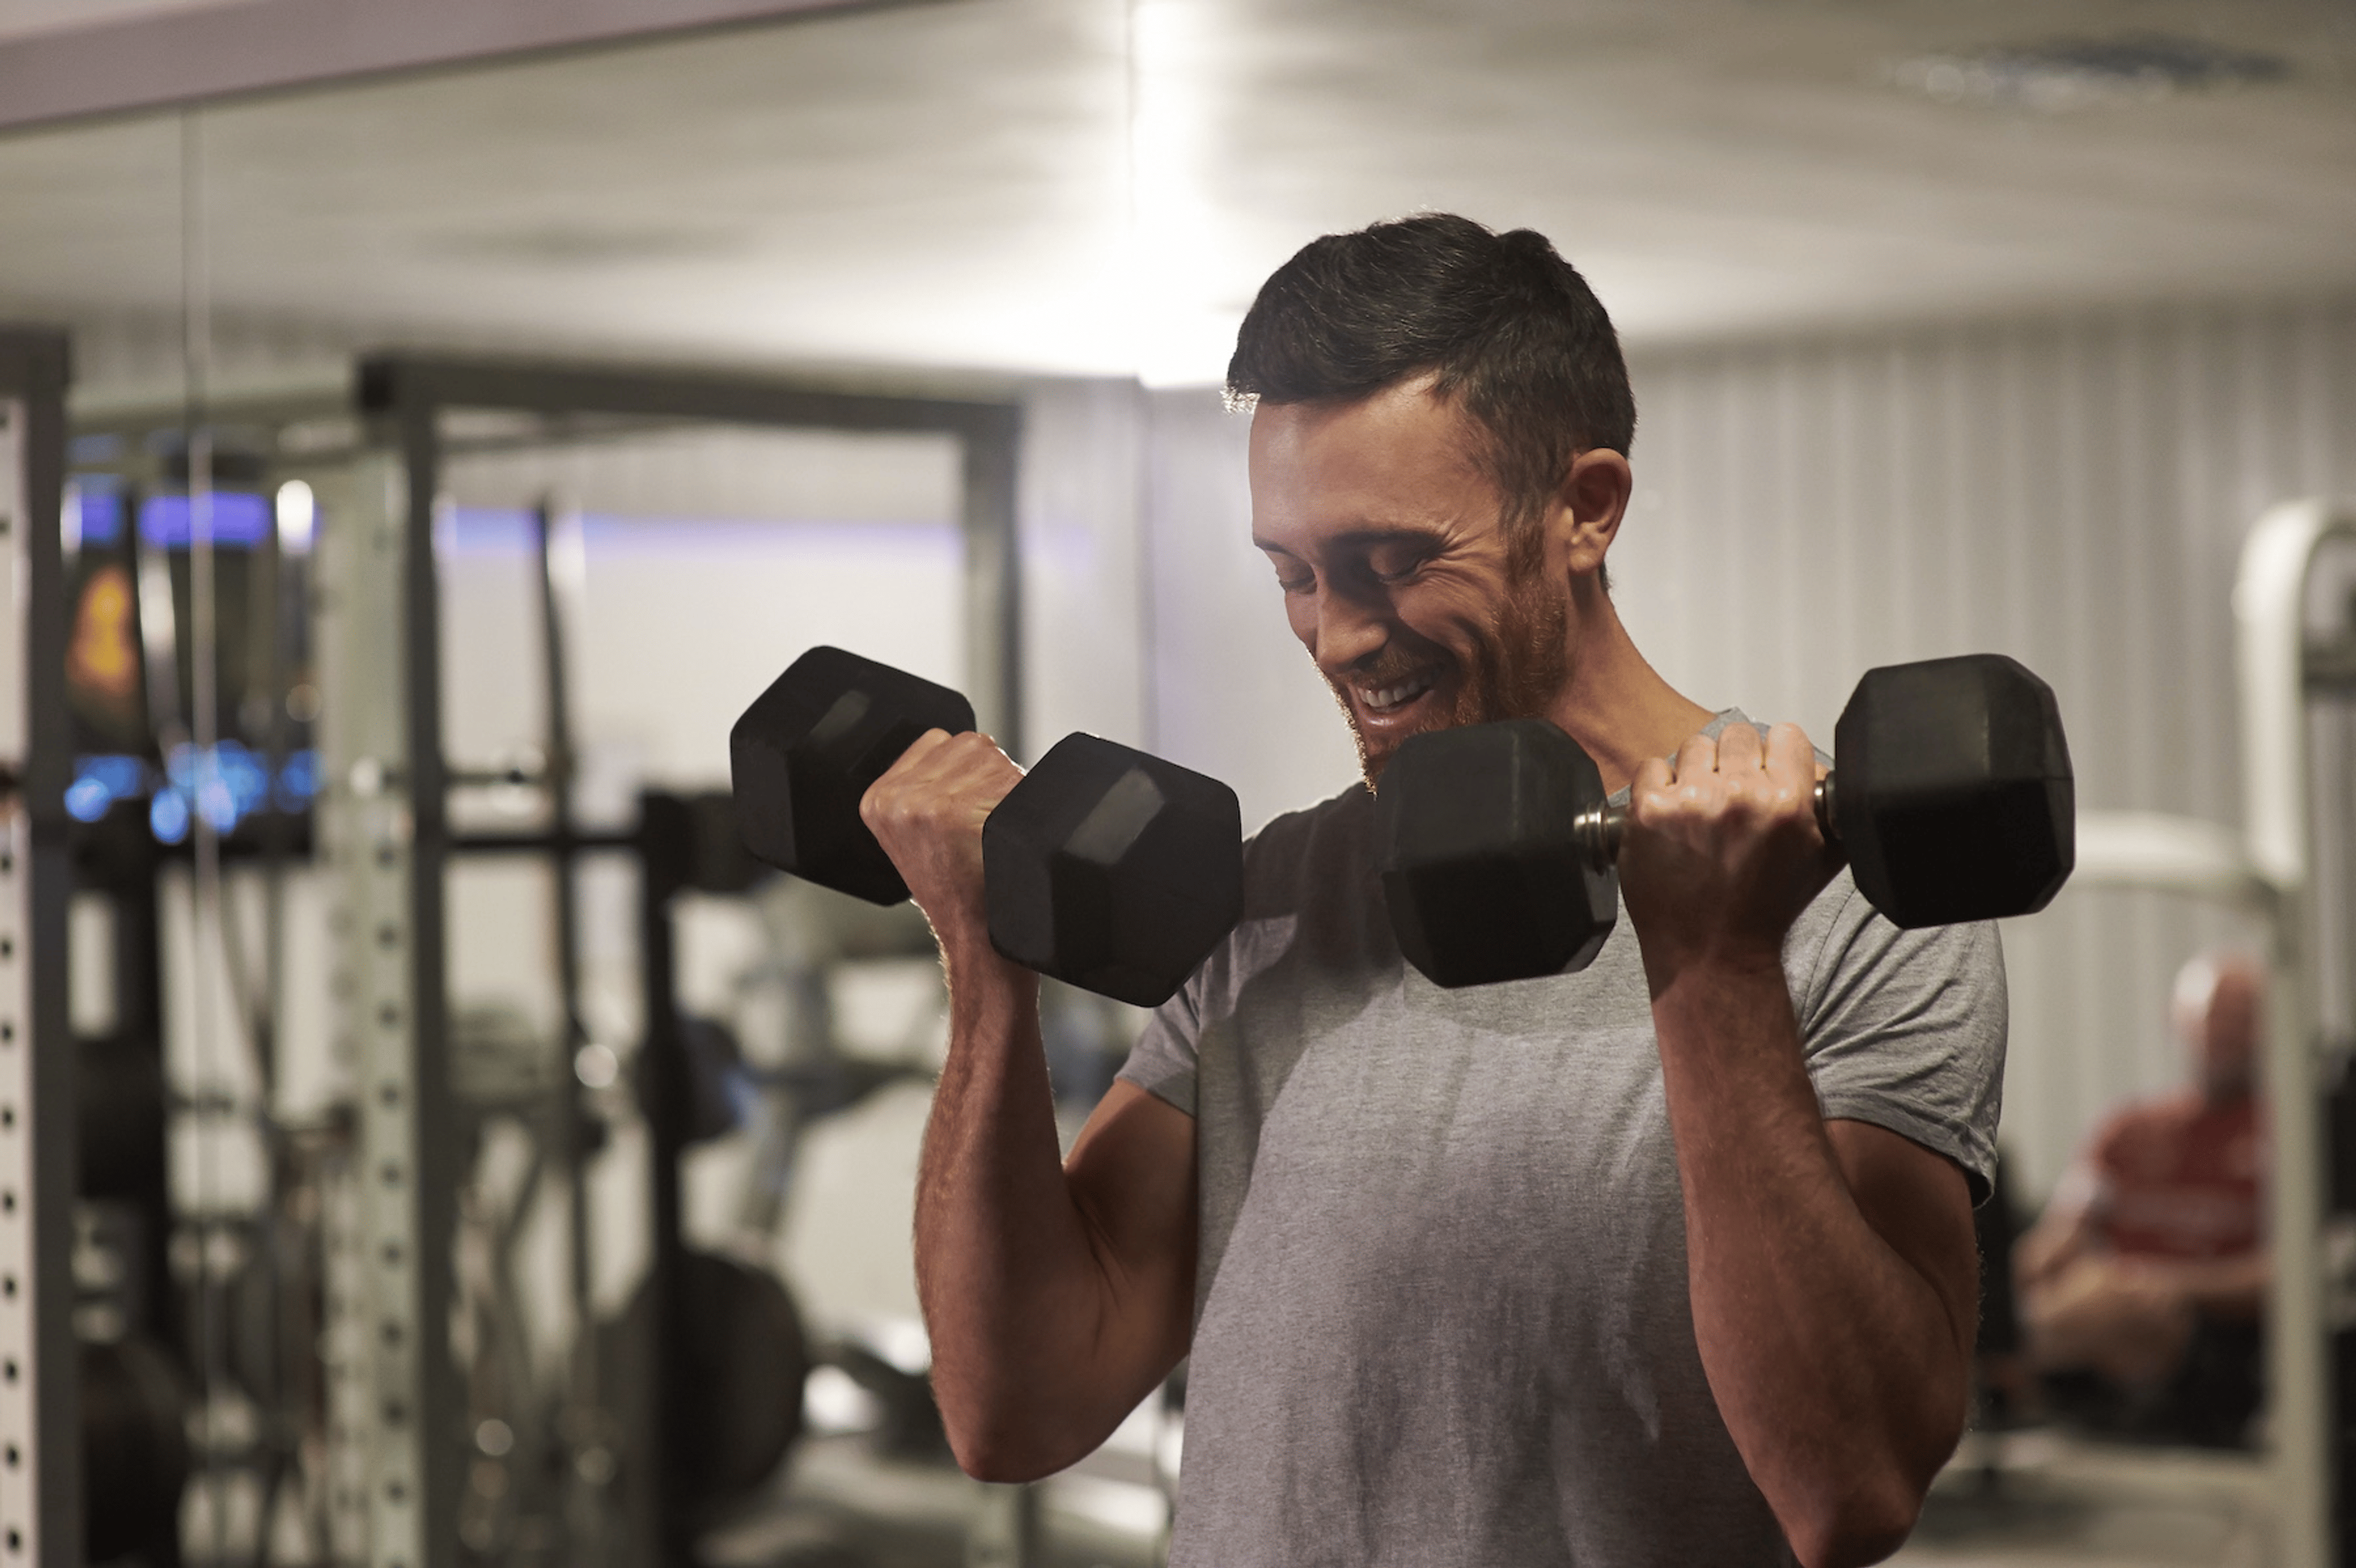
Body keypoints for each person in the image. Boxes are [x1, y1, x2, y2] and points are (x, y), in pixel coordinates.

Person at [864, 215, 2004, 1567]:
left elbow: (1853, 1489)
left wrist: (1715, 966)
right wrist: (987, 961)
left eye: (1393, 561)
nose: (1339, 633)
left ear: (1586, 509)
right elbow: (1019, 1409)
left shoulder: (1839, 907)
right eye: (1292, 572)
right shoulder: (1283, 893)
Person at [2014, 951, 2266, 1445]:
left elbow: (2292, 1273)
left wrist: (2166, 1283)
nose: (2226, 1033)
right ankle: (2000, 1349)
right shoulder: (2127, 1129)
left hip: (2214, 1336)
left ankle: (2001, 1360)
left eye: (2242, 1018)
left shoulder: (2293, 1135)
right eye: (2214, 1017)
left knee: (2120, 1301)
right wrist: (1999, 1286)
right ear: (2182, 1023)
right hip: (2103, 1304)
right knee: (2079, 1292)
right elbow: (2061, 1236)